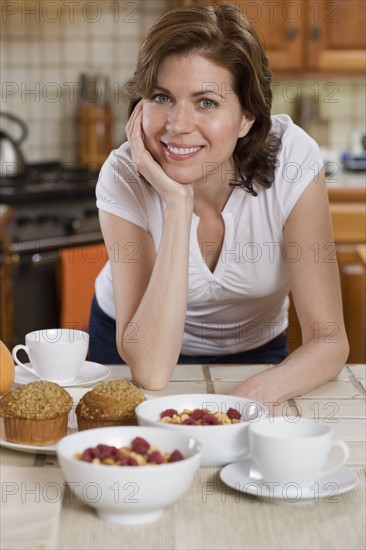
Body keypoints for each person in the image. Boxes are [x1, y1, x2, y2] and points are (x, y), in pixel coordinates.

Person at [88, 2, 348, 405]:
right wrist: (177, 204)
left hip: (258, 358)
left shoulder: (292, 161)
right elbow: (152, 370)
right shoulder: (124, 175)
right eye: (162, 97)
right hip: (131, 351)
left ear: (247, 116)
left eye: (206, 102)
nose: (177, 125)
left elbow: (329, 341)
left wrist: (246, 399)